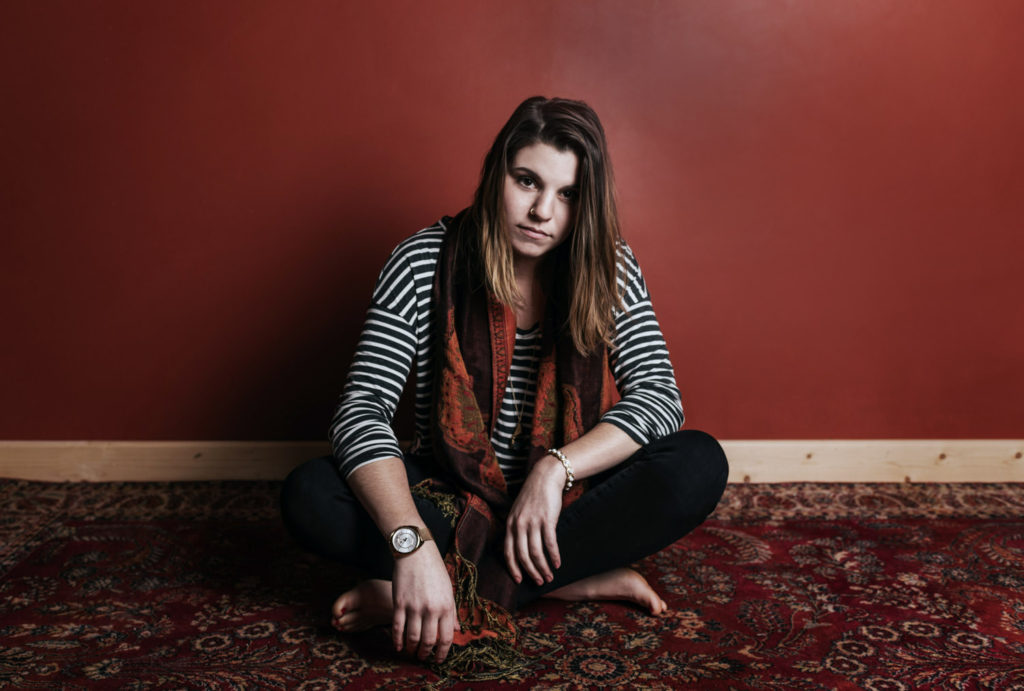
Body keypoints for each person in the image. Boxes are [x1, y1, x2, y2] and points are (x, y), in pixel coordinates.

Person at [280, 96, 728, 670]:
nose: (542, 211)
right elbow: (361, 412)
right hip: (451, 496)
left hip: (564, 505)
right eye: (527, 181)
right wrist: (411, 545)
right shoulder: (423, 260)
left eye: (568, 194)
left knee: (697, 463)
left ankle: (453, 591)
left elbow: (659, 397)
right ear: (497, 173)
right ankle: (563, 579)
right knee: (311, 494)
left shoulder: (608, 267)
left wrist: (554, 470)